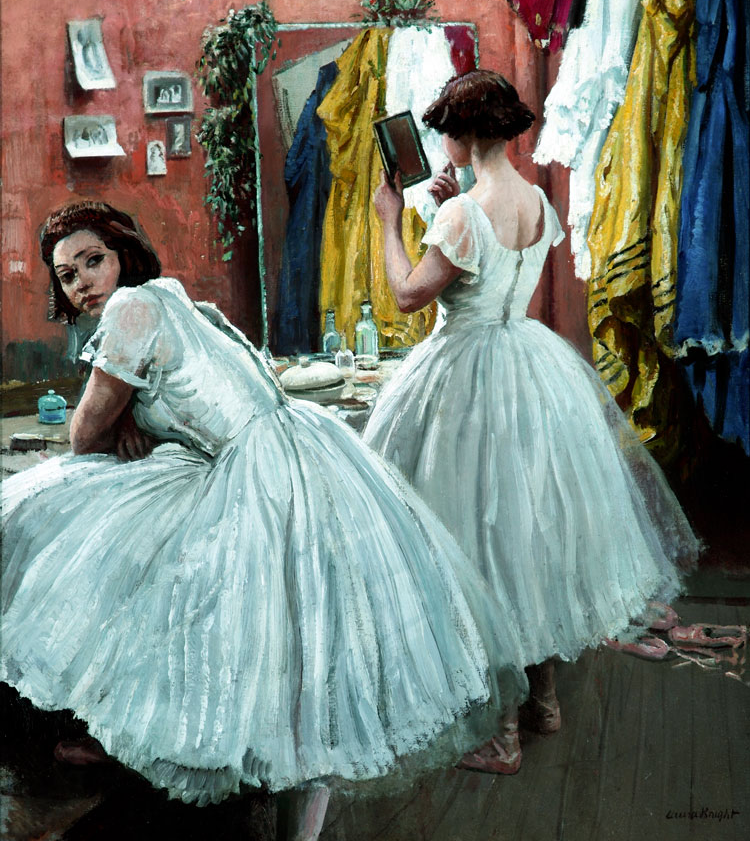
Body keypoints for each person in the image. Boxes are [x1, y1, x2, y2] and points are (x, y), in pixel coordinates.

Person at [1, 201, 528, 838]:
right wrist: (136, 423)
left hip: (258, 474)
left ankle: (128, 735)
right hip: (299, 450)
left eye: (94, 261)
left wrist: (119, 427)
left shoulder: (131, 307)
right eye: (67, 274)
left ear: (123, 257)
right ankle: (148, 747)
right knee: (302, 650)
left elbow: (83, 435)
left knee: (55, 514)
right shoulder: (172, 298)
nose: (83, 281)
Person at [365, 70, 702, 773]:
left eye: (449, 133)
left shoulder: (460, 215)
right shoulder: (536, 200)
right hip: (528, 368)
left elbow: (404, 296)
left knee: (477, 542)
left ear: (468, 134)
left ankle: (500, 734)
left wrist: (390, 221)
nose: (445, 145)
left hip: (466, 377)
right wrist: (448, 211)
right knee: (530, 539)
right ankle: (542, 703)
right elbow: (491, 260)